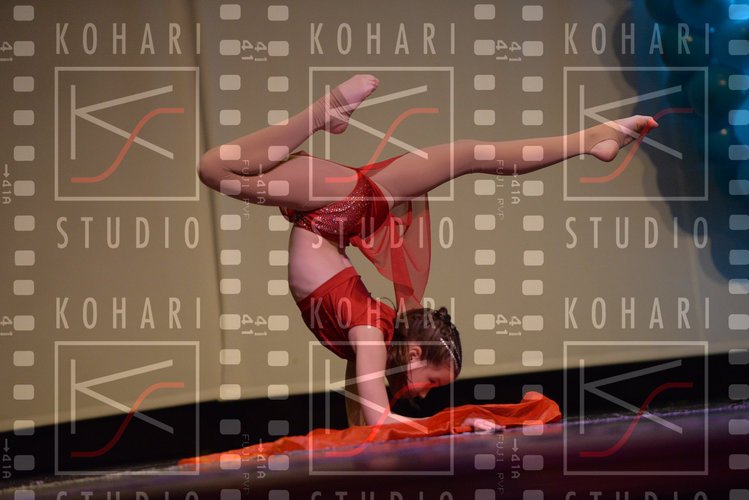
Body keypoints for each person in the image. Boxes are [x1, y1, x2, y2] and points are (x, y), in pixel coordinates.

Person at [197, 74, 659, 431]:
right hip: (336, 208)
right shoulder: (371, 332)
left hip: (342, 211)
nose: (424, 394)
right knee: (215, 169)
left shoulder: (370, 337)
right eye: (433, 382)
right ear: (415, 352)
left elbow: (367, 425)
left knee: (468, 154)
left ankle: (594, 140)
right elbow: (382, 423)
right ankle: (325, 112)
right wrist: (458, 425)